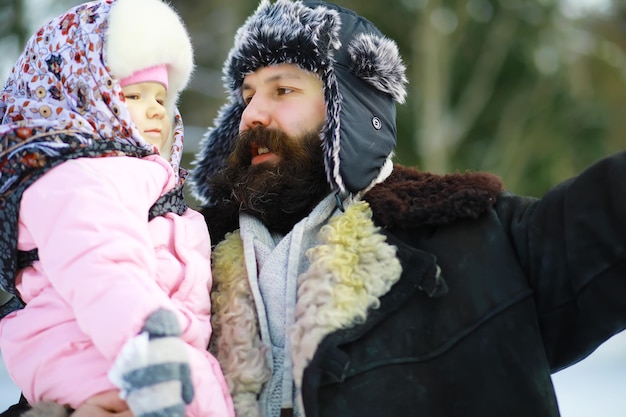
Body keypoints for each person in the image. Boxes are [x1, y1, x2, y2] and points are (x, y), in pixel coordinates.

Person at [6, 0, 626, 416]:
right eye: (246, 95)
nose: (253, 113)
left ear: (354, 113)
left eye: (283, 89)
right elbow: (58, 351)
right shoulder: (170, 256)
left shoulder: (481, 239)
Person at [0, 1, 234, 417]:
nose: (156, 109)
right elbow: (103, 265)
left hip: (150, 363)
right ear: (83, 97)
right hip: (103, 361)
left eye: (161, 96)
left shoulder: (151, 187)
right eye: (132, 94)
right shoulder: (77, 178)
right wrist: (149, 356)